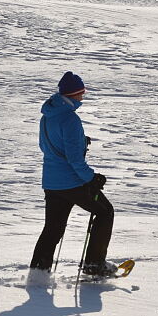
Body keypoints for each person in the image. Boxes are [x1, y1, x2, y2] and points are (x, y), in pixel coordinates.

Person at [28, 71, 118, 279]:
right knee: (105, 212)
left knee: (53, 228)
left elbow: (46, 146)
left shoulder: (47, 116)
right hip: (72, 182)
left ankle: (38, 272)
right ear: (74, 94)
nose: (82, 97)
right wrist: (91, 178)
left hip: (51, 182)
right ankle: (94, 265)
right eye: (81, 93)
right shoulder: (70, 119)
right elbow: (75, 160)